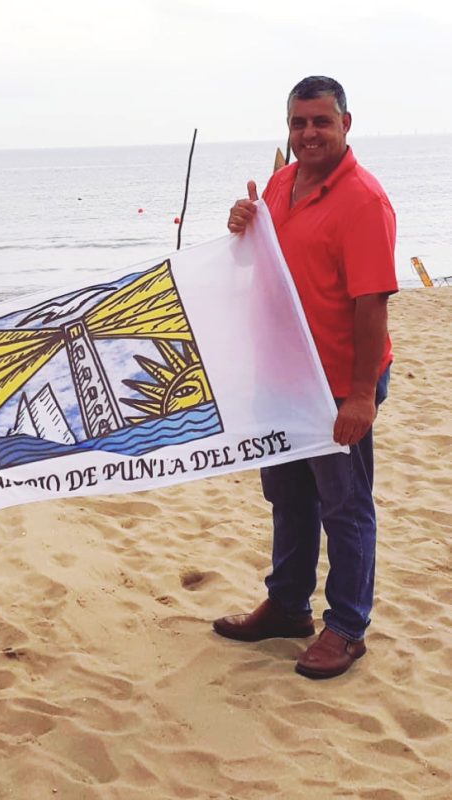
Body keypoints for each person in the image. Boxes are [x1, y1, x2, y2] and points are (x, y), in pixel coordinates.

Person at [214, 76, 397, 679]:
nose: (309, 133)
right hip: (283, 375)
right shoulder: (281, 182)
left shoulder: (364, 200)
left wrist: (361, 394)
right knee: (287, 497)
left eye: (321, 121)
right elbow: (264, 257)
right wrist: (245, 221)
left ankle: (346, 627)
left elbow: (372, 303)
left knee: (344, 505)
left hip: (338, 382)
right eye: (298, 123)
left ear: (347, 124)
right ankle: (289, 605)